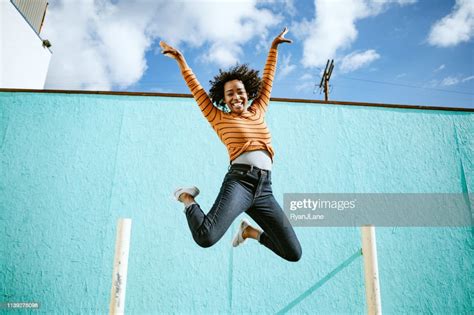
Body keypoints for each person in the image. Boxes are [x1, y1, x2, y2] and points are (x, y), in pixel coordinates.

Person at [160, 27, 302, 262]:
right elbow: (197, 90)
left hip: (265, 189)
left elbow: (267, 80)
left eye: (240, 92)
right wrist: (181, 61)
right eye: (230, 94)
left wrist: (273, 48)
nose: (236, 97)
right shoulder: (219, 118)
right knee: (205, 236)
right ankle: (186, 197)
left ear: (247, 93)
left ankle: (250, 232)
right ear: (223, 99)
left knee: (293, 252)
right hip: (240, 183)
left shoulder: (258, 110)